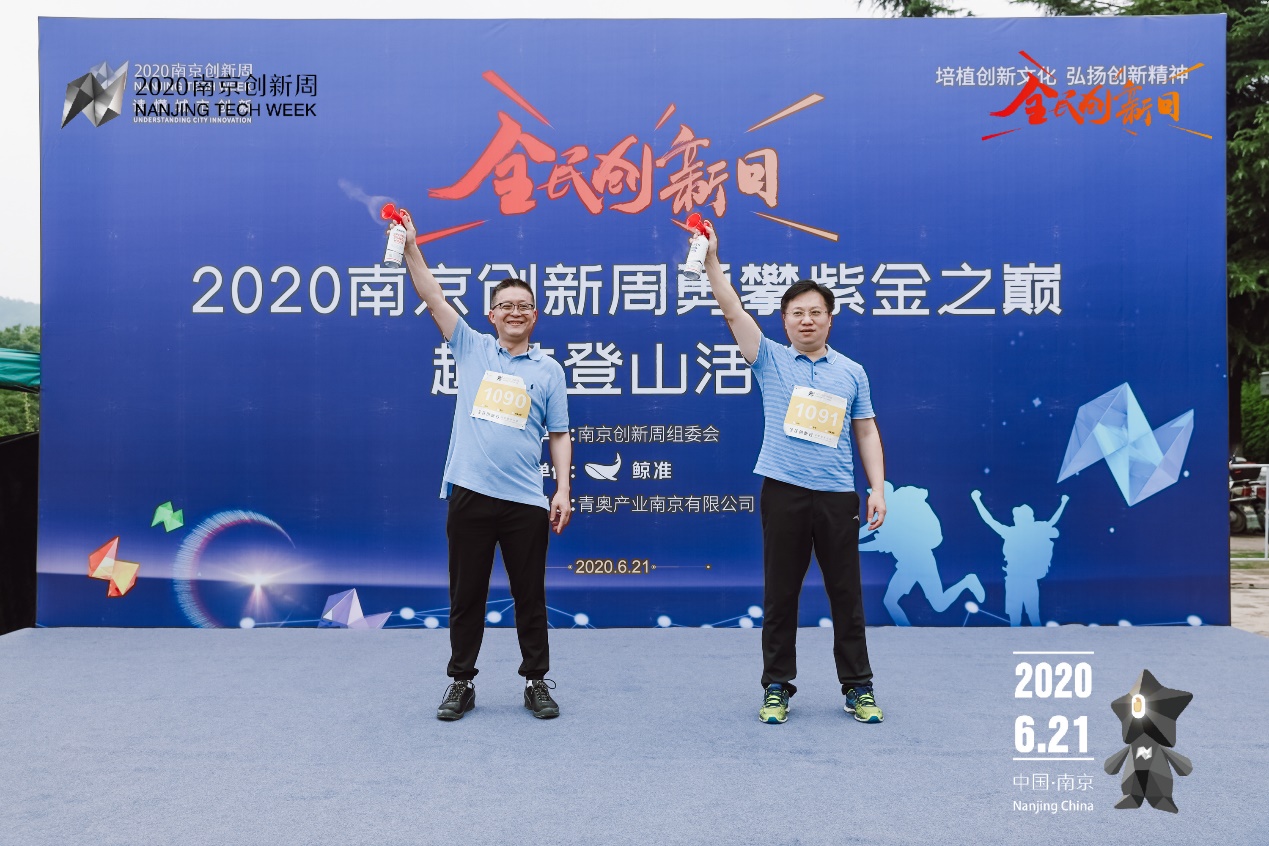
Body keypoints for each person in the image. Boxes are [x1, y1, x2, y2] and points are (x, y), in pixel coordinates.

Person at [701, 221, 888, 725]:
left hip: (837, 497)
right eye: (797, 313)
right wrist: (712, 260)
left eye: (815, 313)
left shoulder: (851, 372)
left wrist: (877, 489)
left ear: (830, 319)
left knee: (846, 595)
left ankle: (859, 687)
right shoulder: (769, 360)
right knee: (780, 594)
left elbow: (866, 431)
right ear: (784, 320)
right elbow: (733, 310)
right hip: (784, 492)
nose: (807, 321)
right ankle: (777, 686)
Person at [397, 208, 573, 721]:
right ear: (491, 314)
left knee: (529, 596)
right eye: (506, 306)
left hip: (525, 501)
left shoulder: (549, 370)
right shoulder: (471, 347)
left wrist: (562, 489)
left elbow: (559, 434)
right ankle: (461, 682)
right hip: (470, 493)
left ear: (535, 315)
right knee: (466, 594)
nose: (515, 312)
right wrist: (411, 247)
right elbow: (433, 295)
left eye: (524, 306)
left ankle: (536, 681)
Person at [971, 491, 1068, 626]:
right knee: (1032, 616)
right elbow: (1053, 520)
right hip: (1026, 580)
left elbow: (990, 521)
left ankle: (1025, 638)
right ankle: (1035, 638)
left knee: (1017, 618)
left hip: (1014, 580)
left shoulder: (1011, 532)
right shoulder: (1035, 530)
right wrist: (1063, 502)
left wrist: (977, 500)